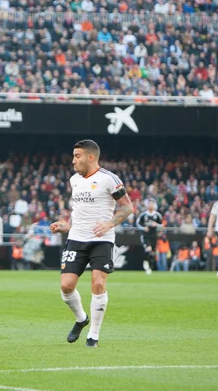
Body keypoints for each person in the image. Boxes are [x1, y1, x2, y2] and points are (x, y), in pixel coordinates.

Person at [50, 140, 133, 348]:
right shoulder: (74, 180)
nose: (73, 161)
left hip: (101, 240)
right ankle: (81, 319)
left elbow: (127, 207)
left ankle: (93, 336)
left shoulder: (109, 179)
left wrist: (110, 223)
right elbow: (78, 210)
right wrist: (67, 225)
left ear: (90, 157)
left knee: (98, 283)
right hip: (76, 238)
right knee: (66, 286)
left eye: (77, 156)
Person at [136, 199, 163, 274]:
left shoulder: (157, 215)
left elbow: (161, 225)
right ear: (147, 205)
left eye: (152, 204)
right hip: (146, 236)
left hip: (154, 236)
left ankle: (150, 267)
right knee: (148, 249)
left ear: (154, 205)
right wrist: (143, 228)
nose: (150, 205)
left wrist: (156, 225)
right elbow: (138, 223)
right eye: (149, 204)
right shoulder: (143, 215)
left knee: (152, 253)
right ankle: (146, 264)